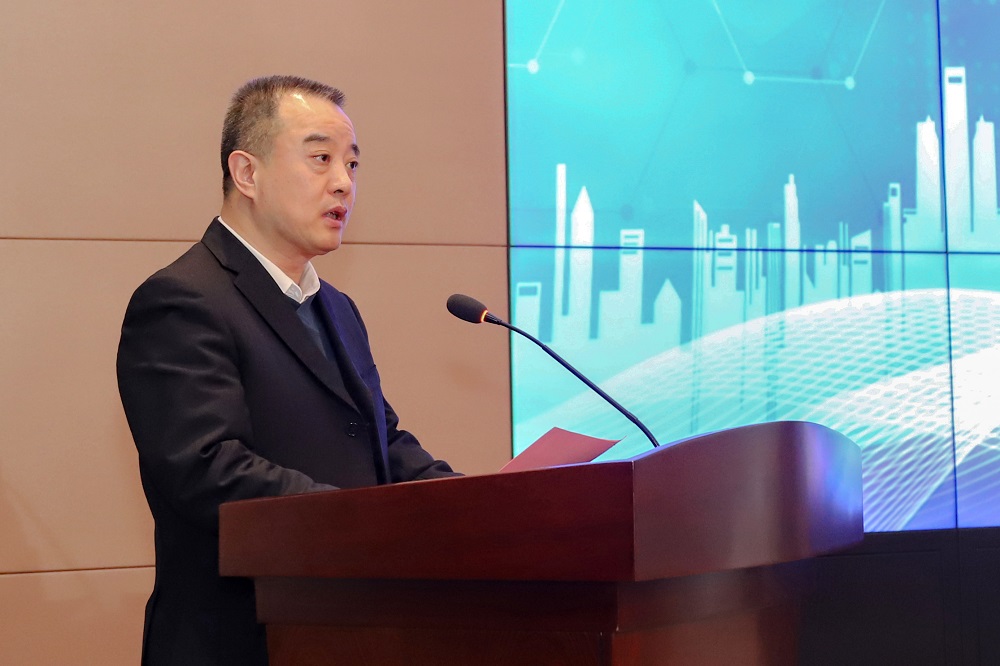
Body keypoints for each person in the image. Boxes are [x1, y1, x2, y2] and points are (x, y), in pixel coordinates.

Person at [116, 75, 459, 666]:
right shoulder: (182, 300)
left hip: (347, 631)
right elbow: (208, 470)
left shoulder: (337, 307)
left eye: (352, 163)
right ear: (246, 173)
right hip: (241, 640)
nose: (344, 182)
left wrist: (469, 502)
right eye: (321, 158)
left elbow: (380, 441)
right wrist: (363, 522)